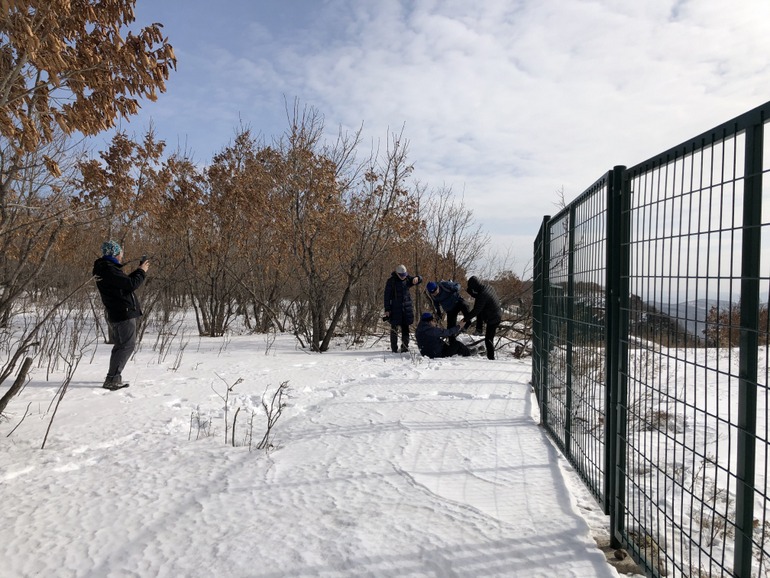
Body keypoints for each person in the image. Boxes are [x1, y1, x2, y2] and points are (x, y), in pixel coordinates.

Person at [93, 240, 150, 390]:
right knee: (127, 346)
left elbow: (124, 283)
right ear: (115, 254)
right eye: (120, 254)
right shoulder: (108, 269)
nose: (121, 257)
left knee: (121, 346)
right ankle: (112, 379)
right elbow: (131, 285)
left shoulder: (105, 269)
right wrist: (141, 271)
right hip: (122, 312)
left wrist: (138, 270)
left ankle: (113, 376)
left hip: (117, 311)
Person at [383, 264, 422, 353]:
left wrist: (418, 278)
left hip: (406, 309)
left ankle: (405, 347)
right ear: (397, 273)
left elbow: (419, 280)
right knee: (394, 329)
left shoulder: (407, 279)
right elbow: (386, 296)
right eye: (401, 275)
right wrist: (387, 309)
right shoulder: (391, 281)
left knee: (405, 329)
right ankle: (394, 349)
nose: (403, 277)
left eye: (404, 275)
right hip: (394, 309)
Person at [462, 276, 502, 360]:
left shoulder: (483, 295)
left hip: (494, 318)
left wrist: (465, 320)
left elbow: (476, 310)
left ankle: (491, 358)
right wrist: (470, 292)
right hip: (493, 313)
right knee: (479, 311)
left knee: (488, 339)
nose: (472, 291)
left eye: (472, 289)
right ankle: (479, 329)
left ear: (475, 287)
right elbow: (477, 297)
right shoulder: (486, 287)